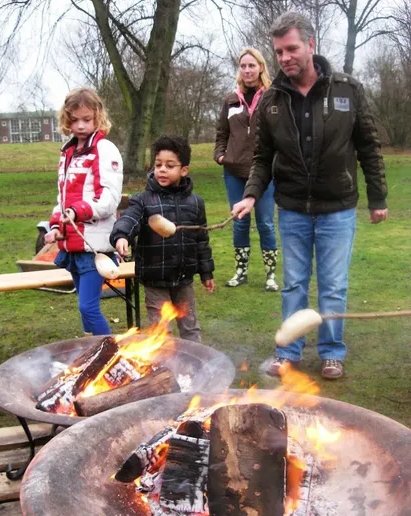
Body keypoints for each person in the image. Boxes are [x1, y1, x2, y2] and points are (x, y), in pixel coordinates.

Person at [231, 12, 388, 380]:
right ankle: (288, 351)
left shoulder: (347, 89)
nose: (285, 57)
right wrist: (252, 194)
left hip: (338, 209)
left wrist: (377, 198)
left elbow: (369, 147)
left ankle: (332, 352)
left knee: (333, 285)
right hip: (293, 209)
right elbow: (261, 158)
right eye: (279, 51)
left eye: (291, 49)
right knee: (294, 284)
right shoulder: (271, 100)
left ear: (310, 45)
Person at [110, 135, 214, 343]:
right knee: (161, 332)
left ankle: (194, 367)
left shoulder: (195, 203)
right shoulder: (142, 200)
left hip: (184, 279)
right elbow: (129, 219)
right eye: (158, 165)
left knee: (190, 328)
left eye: (169, 165)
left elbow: (201, 240)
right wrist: (122, 236)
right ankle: (164, 370)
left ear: (184, 170)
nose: (162, 170)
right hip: (155, 279)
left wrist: (206, 272)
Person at [44, 88, 123, 336]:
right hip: (73, 245)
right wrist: (57, 226)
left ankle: (112, 358)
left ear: (98, 117)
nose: (80, 125)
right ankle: (93, 356)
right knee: (84, 309)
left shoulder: (104, 149)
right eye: (74, 120)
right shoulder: (67, 152)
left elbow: (110, 199)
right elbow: (63, 198)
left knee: (88, 307)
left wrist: (77, 211)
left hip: (95, 246)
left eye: (86, 119)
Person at [214, 48, 279, 291]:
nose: (248, 70)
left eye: (252, 65)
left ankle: (270, 275)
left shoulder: (272, 97)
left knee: (265, 223)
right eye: (243, 66)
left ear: (261, 67)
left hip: (264, 173)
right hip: (234, 172)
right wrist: (221, 156)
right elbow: (222, 133)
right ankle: (240, 271)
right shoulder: (231, 99)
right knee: (239, 222)